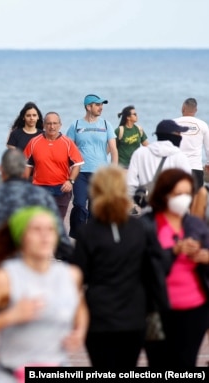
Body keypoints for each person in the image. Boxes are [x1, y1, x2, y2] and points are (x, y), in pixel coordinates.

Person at [0, 207, 88, 382]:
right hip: (11, 375)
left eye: (50, 229)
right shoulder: (5, 278)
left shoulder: (71, 275)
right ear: (22, 237)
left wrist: (80, 331)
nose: (45, 236)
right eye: (37, 230)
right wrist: (9, 317)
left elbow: (80, 308)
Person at [72, 166, 168, 368]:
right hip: (134, 314)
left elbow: (77, 277)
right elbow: (156, 271)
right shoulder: (141, 229)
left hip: (98, 315)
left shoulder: (87, 233)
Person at [0, 148, 73, 277]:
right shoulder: (43, 197)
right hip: (35, 266)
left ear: (1, 170)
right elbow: (61, 238)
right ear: (25, 171)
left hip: (4, 268)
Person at [141, 168, 209, 367]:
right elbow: (141, 264)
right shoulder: (147, 224)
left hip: (194, 309)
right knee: (158, 361)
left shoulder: (195, 225)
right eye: (178, 194)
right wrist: (173, 251)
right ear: (163, 193)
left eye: (187, 194)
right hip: (154, 310)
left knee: (186, 362)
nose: (183, 199)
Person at [66, 94, 118, 239]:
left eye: (101, 105)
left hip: (100, 173)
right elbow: (68, 150)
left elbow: (113, 150)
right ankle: (77, 235)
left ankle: (93, 236)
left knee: (96, 207)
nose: (100, 107)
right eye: (97, 105)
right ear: (88, 107)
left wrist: (113, 172)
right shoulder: (76, 125)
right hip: (80, 172)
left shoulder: (106, 125)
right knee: (79, 204)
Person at [24, 112, 84, 219]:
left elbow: (77, 164)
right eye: (49, 123)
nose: (52, 126)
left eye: (55, 123)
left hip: (61, 189)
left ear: (60, 125)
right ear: (43, 125)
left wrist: (70, 181)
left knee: (57, 224)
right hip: (39, 188)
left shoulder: (68, 143)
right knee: (40, 222)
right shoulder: (34, 142)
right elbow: (26, 166)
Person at [126, 120, 192, 197]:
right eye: (179, 133)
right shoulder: (179, 156)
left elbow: (130, 184)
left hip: (145, 203)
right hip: (169, 204)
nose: (180, 136)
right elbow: (187, 185)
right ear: (173, 136)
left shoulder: (139, 153)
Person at [174, 98, 209, 189]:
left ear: (183, 108)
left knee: (177, 200)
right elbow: (208, 149)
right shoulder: (203, 125)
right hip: (195, 169)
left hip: (177, 169)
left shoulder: (173, 123)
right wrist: (208, 164)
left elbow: (166, 147)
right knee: (196, 201)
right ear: (196, 110)